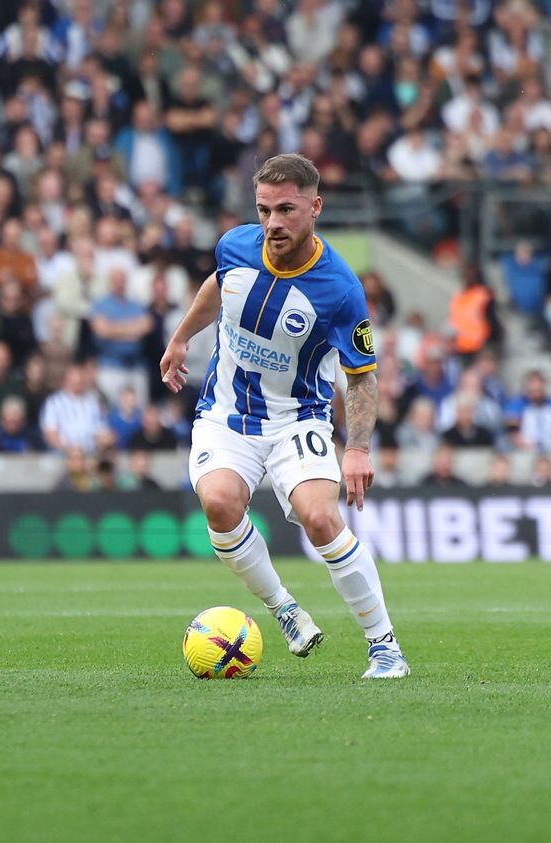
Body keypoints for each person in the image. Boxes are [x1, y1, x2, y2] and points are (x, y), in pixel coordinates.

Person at [159, 153, 408, 680]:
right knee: (220, 504)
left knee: (322, 519)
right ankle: (284, 608)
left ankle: (385, 647)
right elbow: (218, 286)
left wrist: (358, 448)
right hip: (226, 415)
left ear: (314, 207)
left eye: (286, 210)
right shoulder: (235, 246)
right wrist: (182, 337)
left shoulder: (340, 289)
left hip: (299, 419)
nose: (273, 223)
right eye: (264, 209)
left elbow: (361, 375)